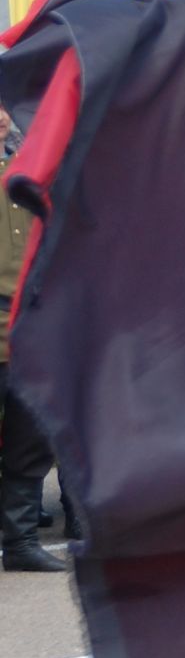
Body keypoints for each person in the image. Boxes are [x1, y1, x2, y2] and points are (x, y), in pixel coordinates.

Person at [0, 97, 64, 573]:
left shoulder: (28, 175)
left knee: (30, 440)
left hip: (25, 330)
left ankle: (20, 542)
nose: (4, 117)